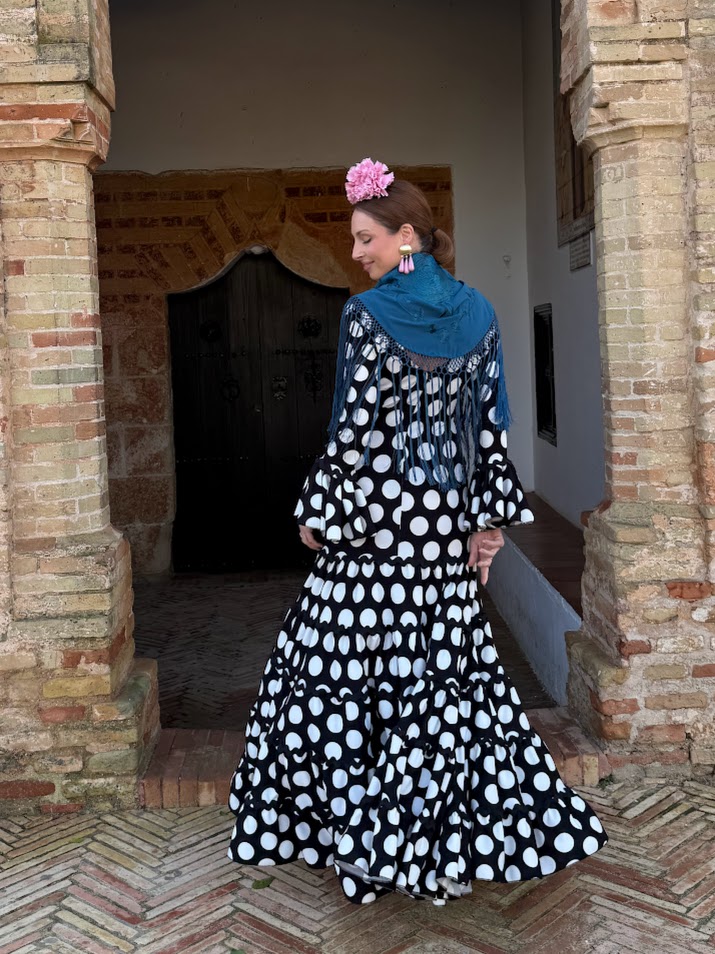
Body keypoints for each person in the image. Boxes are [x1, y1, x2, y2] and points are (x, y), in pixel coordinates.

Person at [227, 158, 608, 905]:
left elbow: (359, 431)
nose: (356, 252)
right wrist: (487, 523)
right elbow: (487, 432)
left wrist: (322, 510)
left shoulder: (365, 315)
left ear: (406, 237)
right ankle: (434, 840)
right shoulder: (481, 313)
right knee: (439, 685)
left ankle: (360, 839)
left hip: (378, 528)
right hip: (439, 532)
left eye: (365, 237)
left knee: (343, 677)